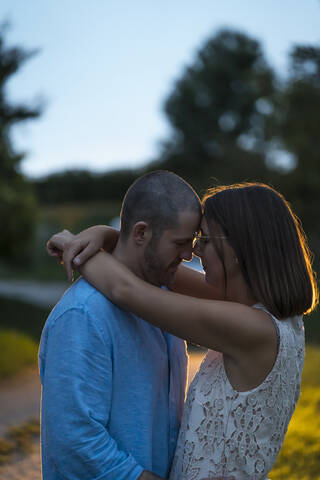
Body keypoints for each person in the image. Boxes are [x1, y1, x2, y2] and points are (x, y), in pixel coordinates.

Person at [48, 181, 318, 480]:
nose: (194, 252)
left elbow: (126, 289)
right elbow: (160, 271)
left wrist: (77, 245)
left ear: (239, 248)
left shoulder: (251, 327)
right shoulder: (274, 317)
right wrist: (112, 235)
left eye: (205, 239)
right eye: (187, 242)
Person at [40, 170, 202, 480]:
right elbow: (73, 440)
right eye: (180, 243)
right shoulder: (83, 314)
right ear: (140, 233)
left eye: (192, 243)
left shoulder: (164, 302)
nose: (188, 255)